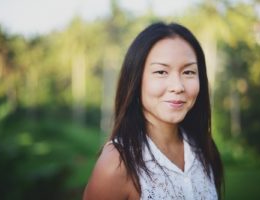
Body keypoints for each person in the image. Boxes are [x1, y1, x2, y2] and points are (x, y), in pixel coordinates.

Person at [83, 22, 224, 200]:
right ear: (136, 79)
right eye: (161, 72)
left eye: (188, 72)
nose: (178, 86)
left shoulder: (203, 149)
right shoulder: (118, 163)